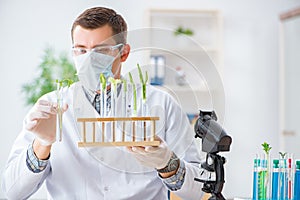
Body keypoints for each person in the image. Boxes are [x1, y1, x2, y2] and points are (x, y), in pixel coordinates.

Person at [2, 7, 204, 200]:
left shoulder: (161, 102)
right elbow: (13, 192)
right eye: (81, 51)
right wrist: (42, 144)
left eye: (101, 51)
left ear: (123, 53)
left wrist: (167, 163)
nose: (89, 60)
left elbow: (196, 192)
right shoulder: (50, 106)